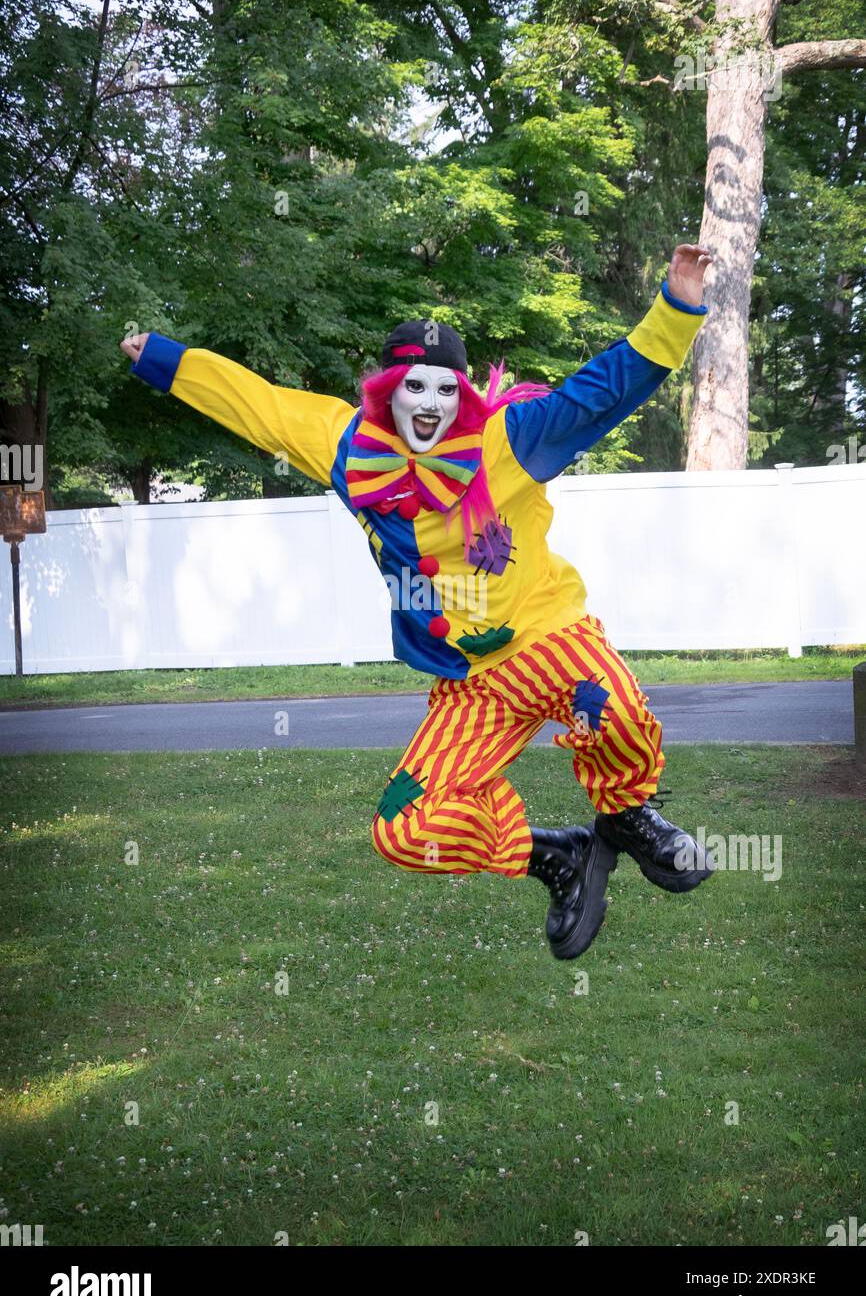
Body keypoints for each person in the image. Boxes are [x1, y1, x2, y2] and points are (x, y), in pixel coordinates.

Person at [121, 242, 716, 961]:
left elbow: (602, 393)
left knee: (615, 714)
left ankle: (625, 815)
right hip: (470, 687)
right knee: (402, 827)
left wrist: (677, 304)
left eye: (444, 389)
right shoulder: (348, 450)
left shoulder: (508, 441)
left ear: (461, 397)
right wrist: (166, 361)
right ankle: (554, 856)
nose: (429, 405)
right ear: (388, 392)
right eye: (413, 387)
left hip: (552, 643)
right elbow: (265, 411)